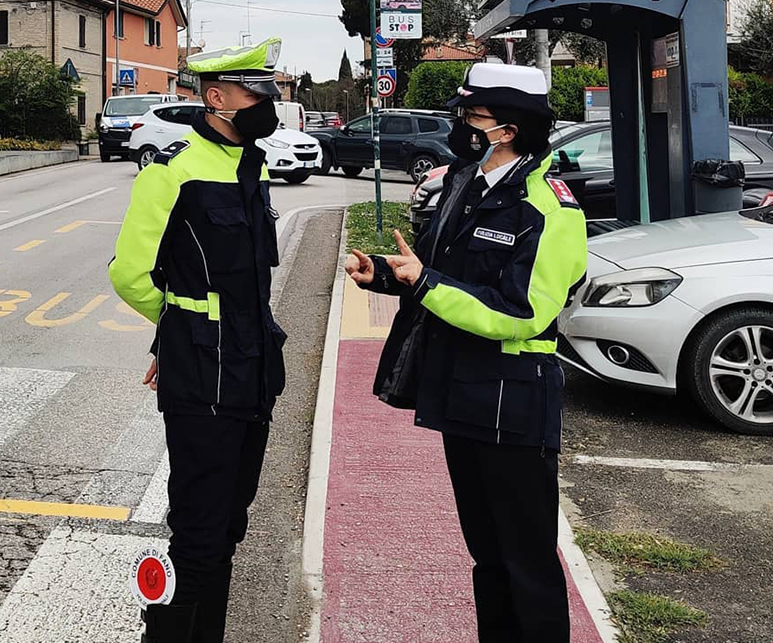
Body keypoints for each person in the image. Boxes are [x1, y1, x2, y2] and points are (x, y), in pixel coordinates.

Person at [345, 63, 588, 642]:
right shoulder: (463, 181)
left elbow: (521, 312)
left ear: (506, 128)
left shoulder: (549, 209)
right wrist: (382, 272)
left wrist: (426, 282)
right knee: (487, 555)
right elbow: (437, 269)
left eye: (472, 115)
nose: (462, 125)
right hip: (461, 387)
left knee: (526, 561)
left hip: (513, 394)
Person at [108, 37, 288, 643]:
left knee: (231, 523)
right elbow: (129, 275)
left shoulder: (252, 166)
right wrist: (177, 328)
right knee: (200, 529)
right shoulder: (173, 173)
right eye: (255, 93)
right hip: (204, 372)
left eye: (269, 90)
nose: (268, 101)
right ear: (216, 98)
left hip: (255, 365)